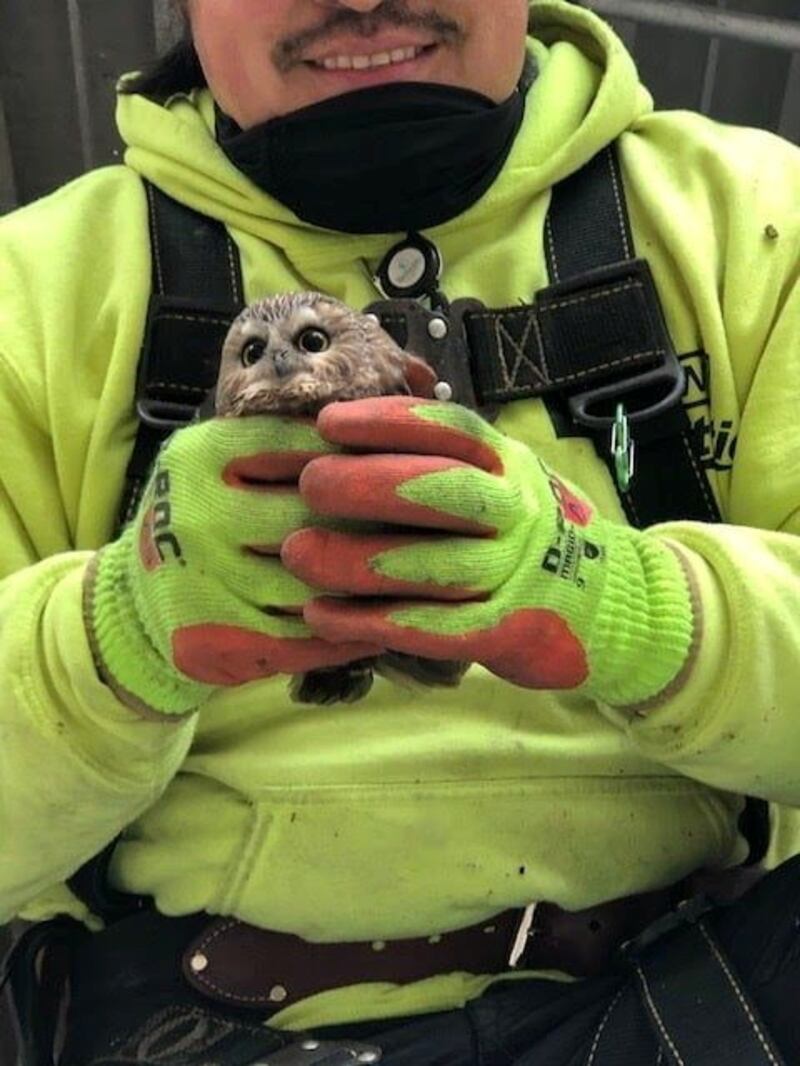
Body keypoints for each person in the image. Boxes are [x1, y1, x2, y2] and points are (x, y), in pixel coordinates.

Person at [1, 0, 799, 1063]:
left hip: (701, 976)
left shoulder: (760, 218)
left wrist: (637, 609)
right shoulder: (27, 293)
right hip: (196, 1021)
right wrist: (107, 639)